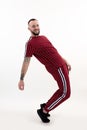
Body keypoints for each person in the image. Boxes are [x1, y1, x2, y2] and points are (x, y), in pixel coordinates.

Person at [18, 18, 71, 123]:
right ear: (29, 28)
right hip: (57, 69)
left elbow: (54, 51)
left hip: (62, 65)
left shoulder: (44, 37)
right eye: (33, 26)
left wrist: (65, 61)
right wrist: (21, 79)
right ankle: (44, 110)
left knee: (62, 90)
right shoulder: (30, 44)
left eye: (37, 25)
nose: (36, 27)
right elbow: (26, 62)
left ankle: (46, 105)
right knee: (66, 93)